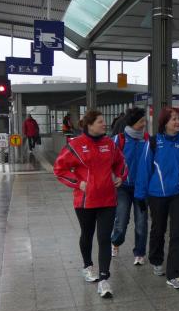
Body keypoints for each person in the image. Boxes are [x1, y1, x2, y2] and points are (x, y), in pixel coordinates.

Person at [53, 110, 126, 298]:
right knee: (87, 234)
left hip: (108, 199)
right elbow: (59, 169)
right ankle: (87, 266)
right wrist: (78, 183)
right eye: (100, 121)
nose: (104, 124)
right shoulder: (75, 145)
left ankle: (104, 280)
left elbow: (121, 162)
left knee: (104, 238)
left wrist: (120, 176)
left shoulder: (109, 144)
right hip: (85, 202)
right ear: (89, 125)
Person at [134, 107, 179, 289]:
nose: (177, 122)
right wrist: (140, 196)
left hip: (178, 195)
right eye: (173, 119)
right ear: (164, 123)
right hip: (156, 195)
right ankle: (156, 259)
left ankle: (174, 274)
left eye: (178, 118)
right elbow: (144, 169)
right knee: (158, 230)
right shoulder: (154, 142)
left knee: (178, 232)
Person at [110, 107, 149, 264]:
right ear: (132, 123)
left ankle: (139, 253)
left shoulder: (147, 139)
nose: (144, 124)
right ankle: (115, 242)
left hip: (142, 188)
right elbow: (109, 162)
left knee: (141, 222)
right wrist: (115, 178)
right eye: (141, 121)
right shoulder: (119, 139)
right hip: (123, 187)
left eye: (144, 121)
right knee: (121, 220)